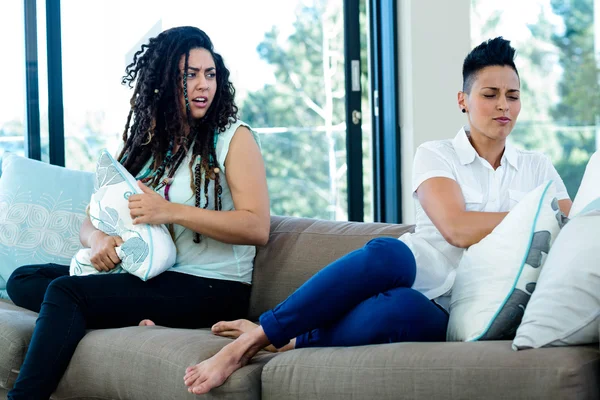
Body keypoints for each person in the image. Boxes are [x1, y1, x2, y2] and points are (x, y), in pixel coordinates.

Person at [180, 37, 573, 395]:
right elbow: (456, 228)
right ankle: (249, 342)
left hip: (459, 307)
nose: (504, 105)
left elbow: (568, 228)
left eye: (513, 95)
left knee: (396, 310)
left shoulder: (538, 168)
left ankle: (290, 338)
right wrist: (532, 214)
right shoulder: (437, 155)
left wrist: (545, 216)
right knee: (387, 253)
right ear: (463, 100)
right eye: (490, 94)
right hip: (422, 270)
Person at [5, 26, 269, 399]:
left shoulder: (232, 137)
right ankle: (124, 311)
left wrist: (171, 211)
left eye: (210, 74)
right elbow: (94, 216)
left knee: (67, 293)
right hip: (153, 275)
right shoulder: (149, 142)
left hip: (212, 287)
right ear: (162, 81)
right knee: (24, 279)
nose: (203, 85)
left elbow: (257, 227)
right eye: (190, 75)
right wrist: (98, 239)